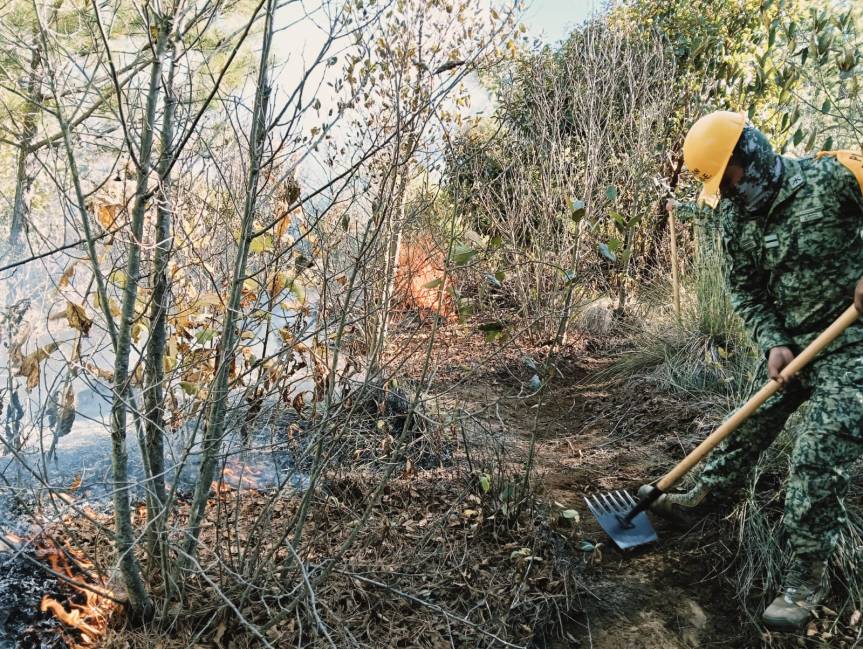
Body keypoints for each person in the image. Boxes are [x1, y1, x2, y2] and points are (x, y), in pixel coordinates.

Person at [639, 110, 863, 632]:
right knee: (746, 423)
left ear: (752, 154)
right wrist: (772, 343)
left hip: (852, 349)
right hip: (796, 349)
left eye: (731, 179)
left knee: (815, 459)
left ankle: (805, 584)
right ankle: (703, 500)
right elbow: (746, 291)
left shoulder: (836, 177)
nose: (731, 193)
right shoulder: (735, 220)